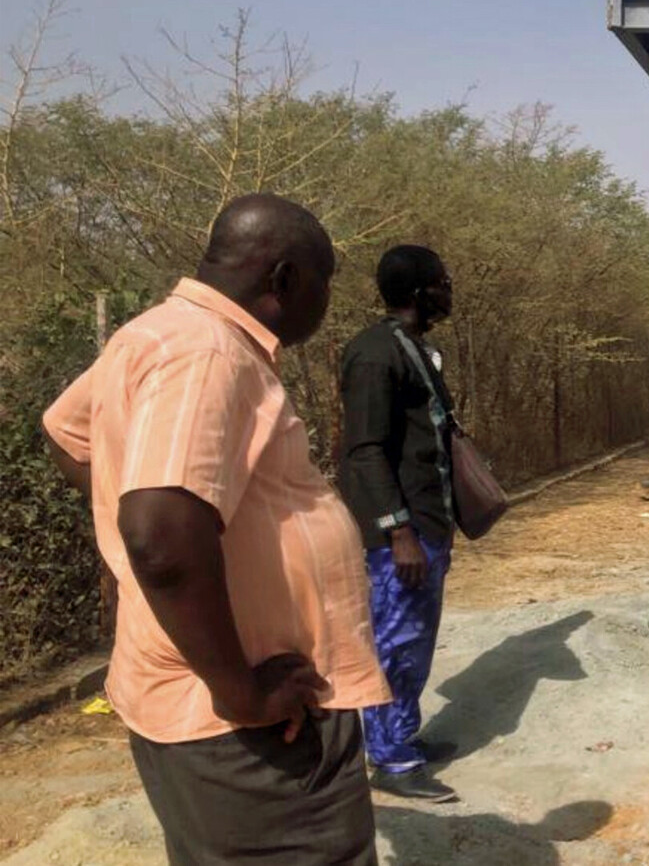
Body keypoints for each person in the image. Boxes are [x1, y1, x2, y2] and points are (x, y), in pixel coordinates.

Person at [41, 194, 389, 865]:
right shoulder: (209, 354)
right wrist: (244, 690)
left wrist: (130, 534)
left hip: (206, 708)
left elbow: (67, 431)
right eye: (324, 282)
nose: (325, 301)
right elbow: (162, 535)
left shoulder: (154, 333)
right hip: (245, 728)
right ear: (285, 279)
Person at [337, 245, 461, 803]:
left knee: (414, 641)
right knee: (394, 639)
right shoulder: (373, 355)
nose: (449, 289)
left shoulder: (412, 349)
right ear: (418, 291)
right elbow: (364, 451)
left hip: (427, 522)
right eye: (442, 281)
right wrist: (399, 530)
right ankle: (389, 759)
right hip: (398, 536)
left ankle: (401, 735)